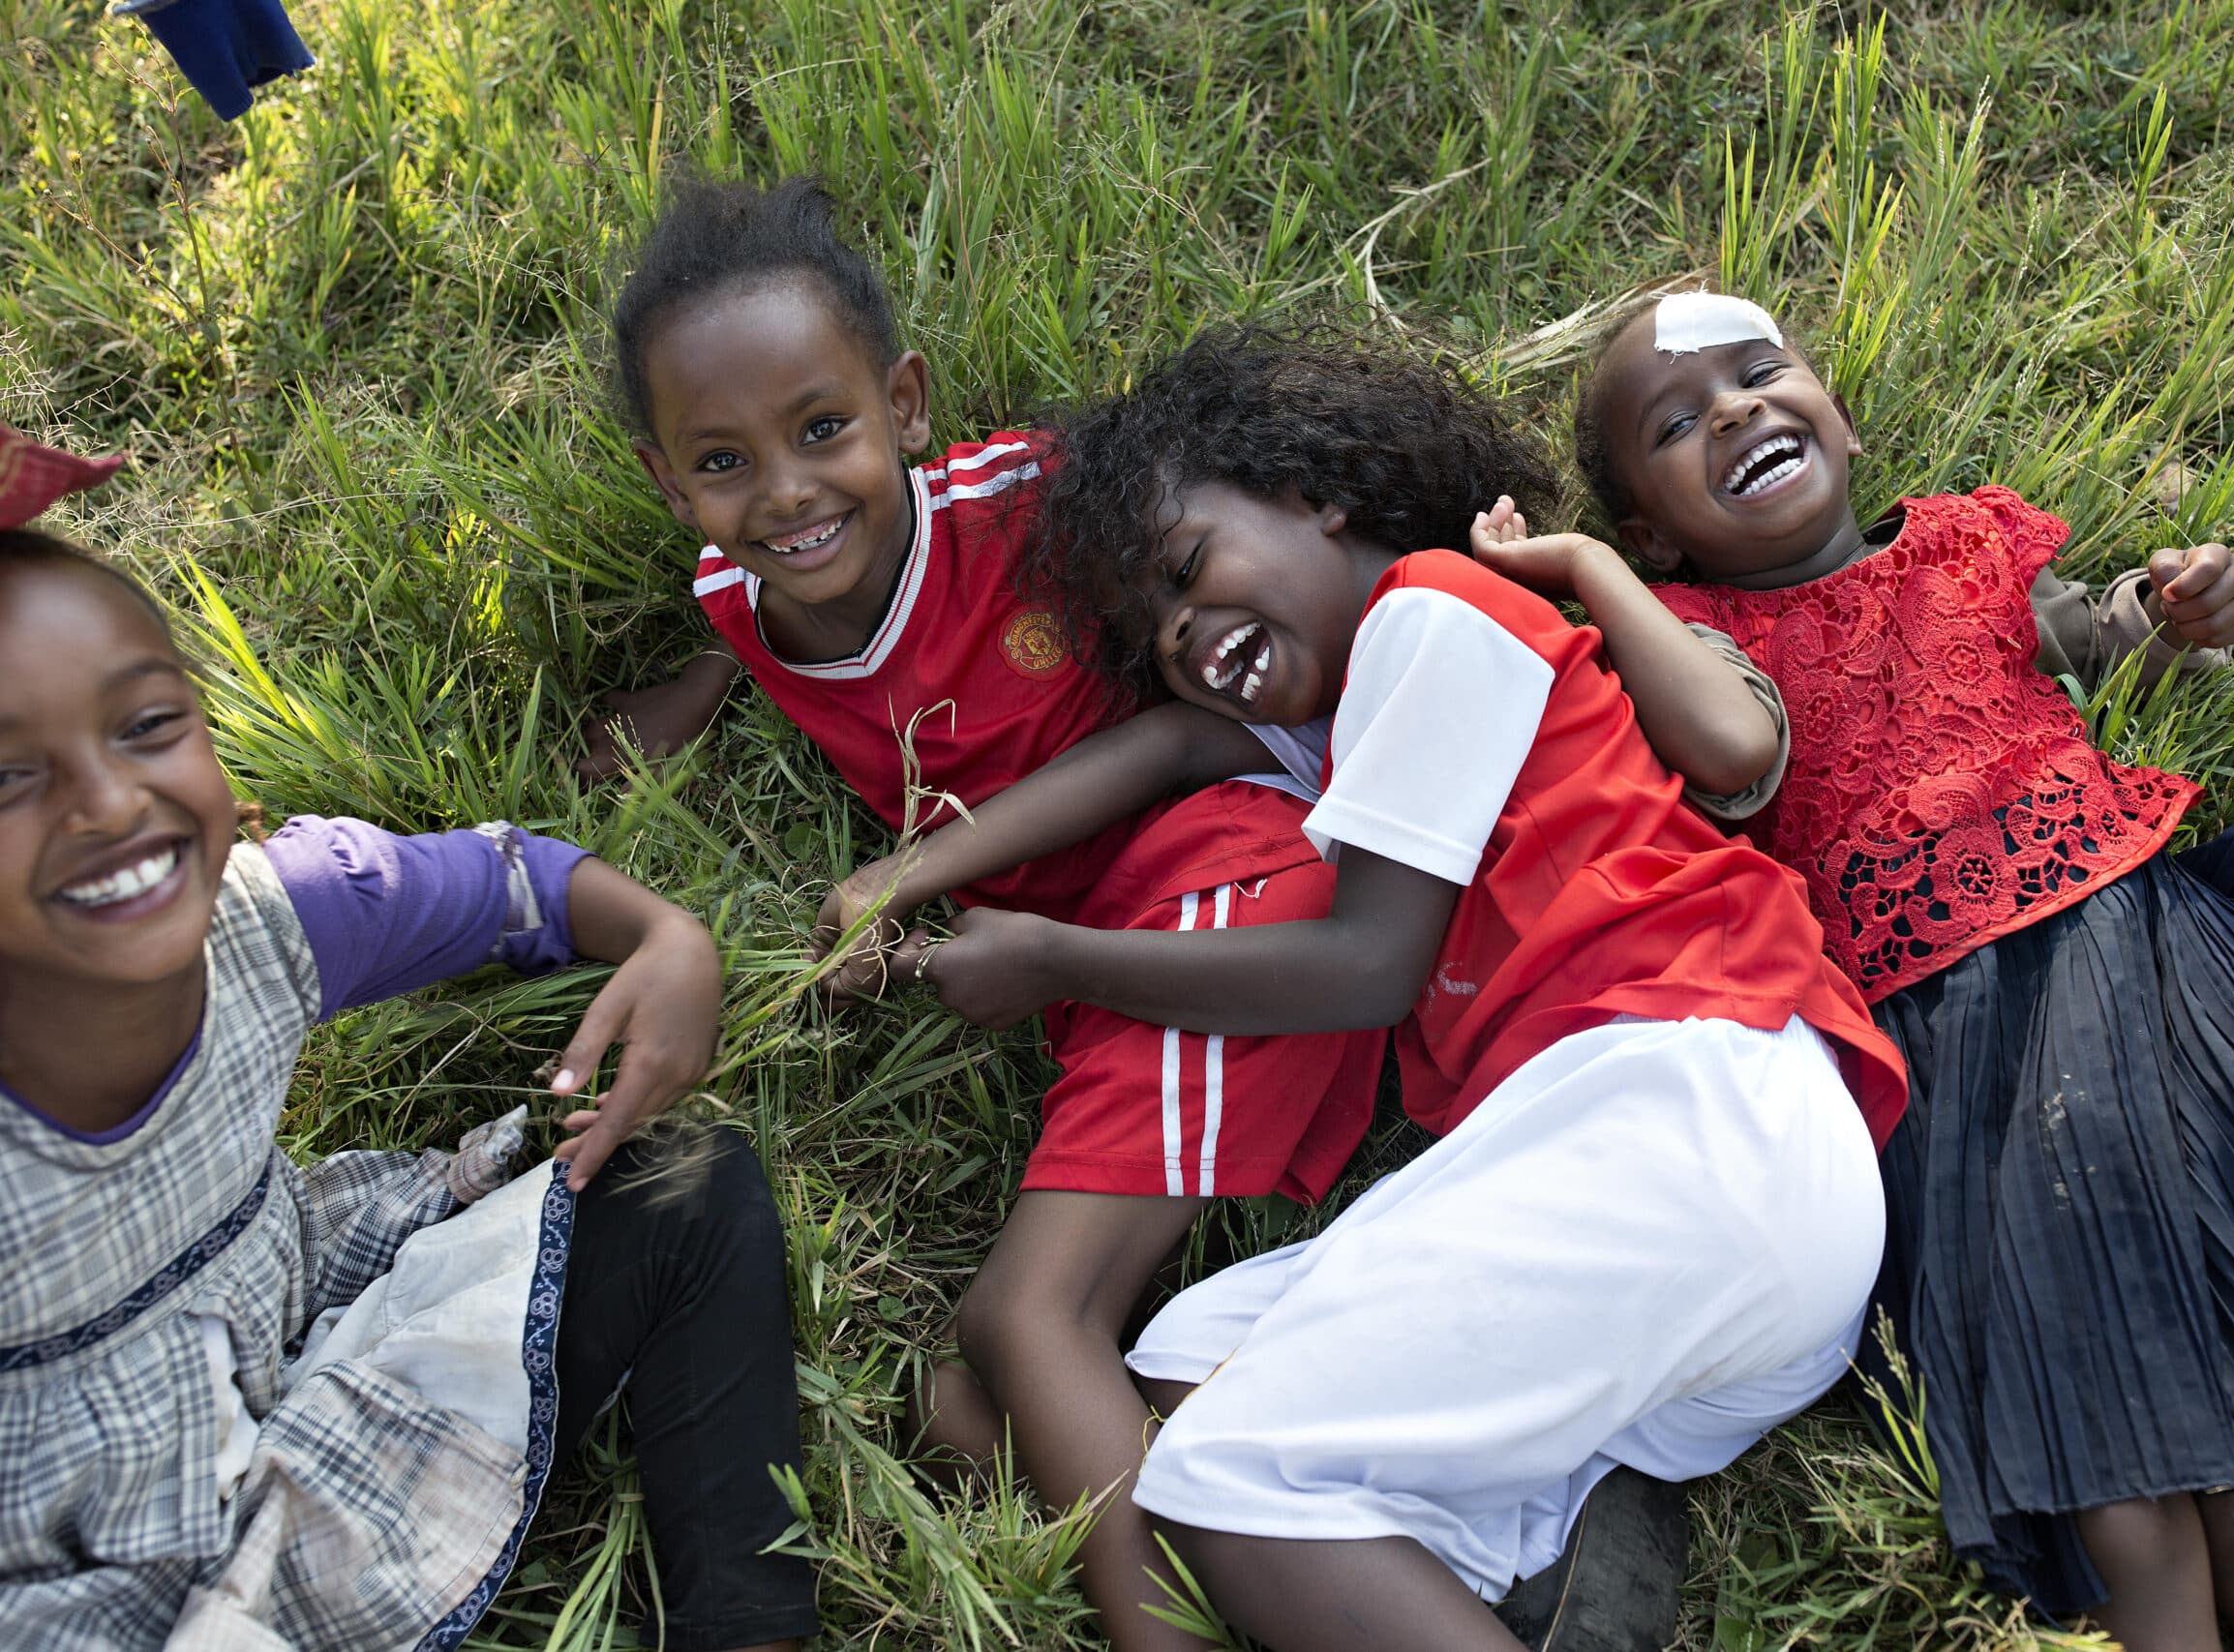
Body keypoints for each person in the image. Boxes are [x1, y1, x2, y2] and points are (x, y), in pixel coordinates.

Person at [878, 328, 1907, 1652]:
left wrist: (1056, 956)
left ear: (1321, 496)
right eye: (1162, 633)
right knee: (1171, 1374)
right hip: (1672, 1241)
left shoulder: (1434, 611)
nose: (1191, 636)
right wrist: (905, 878)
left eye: (1191, 572)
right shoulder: (1344, 723)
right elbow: (1171, 740)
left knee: (1225, 1475)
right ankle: (1543, 1562)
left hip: (1698, 1107)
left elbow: (1366, 966)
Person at [1512, 288, 2234, 1652]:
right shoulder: (1699, 642)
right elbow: (1727, 753)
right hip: (1955, 1044)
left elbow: (2097, 635)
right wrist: (1592, 578)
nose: (1734, 407)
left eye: (1761, 370)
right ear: (1654, 533)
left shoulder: (1963, 549)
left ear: (1839, 418)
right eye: (1678, 422)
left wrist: (2178, 604)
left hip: (2137, 971)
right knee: (2154, 1507)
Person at [592, 176, 1397, 1650]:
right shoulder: (735, 583)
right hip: (1101, 974)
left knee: (1029, 1323)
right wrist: (683, 698)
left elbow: (1216, 719)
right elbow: (735, 610)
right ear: (670, 482)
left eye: (821, 428)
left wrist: (916, 869)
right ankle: (1294, 1495)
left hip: (1241, 882)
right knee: (980, 1384)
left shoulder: (1025, 505)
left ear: (904, 405)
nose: (782, 492)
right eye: (723, 461)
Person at [0, 432, 817, 1650]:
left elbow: (511, 883)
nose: (113, 805)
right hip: (80, 1570)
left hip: (299, 1338)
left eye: (148, 725)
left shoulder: (273, 921)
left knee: (687, 1190)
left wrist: (669, 941)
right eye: (7, 777)